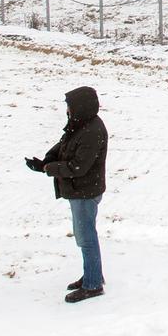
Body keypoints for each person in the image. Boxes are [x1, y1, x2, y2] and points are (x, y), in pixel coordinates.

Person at [26, 85, 109, 303]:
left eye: (70, 106)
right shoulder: (81, 124)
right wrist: (46, 161)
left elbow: (78, 167)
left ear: (80, 107)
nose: (67, 111)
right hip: (80, 190)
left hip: (85, 192)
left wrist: (49, 169)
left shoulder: (92, 131)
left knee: (86, 237)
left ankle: (93, 285)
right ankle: (93, 275)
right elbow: (64, 144)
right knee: (85, 236)